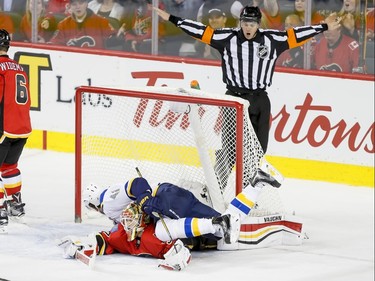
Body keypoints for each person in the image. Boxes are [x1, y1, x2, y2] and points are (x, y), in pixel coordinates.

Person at [153, 5, 341, 190]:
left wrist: (323, 27)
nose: (248, 27)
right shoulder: (227, 38)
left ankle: (246, 194)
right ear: (240, 22)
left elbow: (297, 34)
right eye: (245, 23)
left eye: (252, 24)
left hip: (260, 101)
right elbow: (200, 31)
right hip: (234, 100)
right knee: (229, 150)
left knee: (257, 152)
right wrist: (172, 18)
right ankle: (216, 191)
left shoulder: (272, 40)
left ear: (258, 24)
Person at [0, 29, 32, 234]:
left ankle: (1, 209)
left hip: (3, 127)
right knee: (9, 166)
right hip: (22, 128)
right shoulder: (19, 67)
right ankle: (15, 204)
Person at [49, 0, 121, 49]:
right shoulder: (63, 25)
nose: (78, 7)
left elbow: (116, 40)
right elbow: (55, 45)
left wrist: (119, 35)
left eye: (81, 3)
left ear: (87, 4)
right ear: (69, 6)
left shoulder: (101, 22)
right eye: (74, 4)